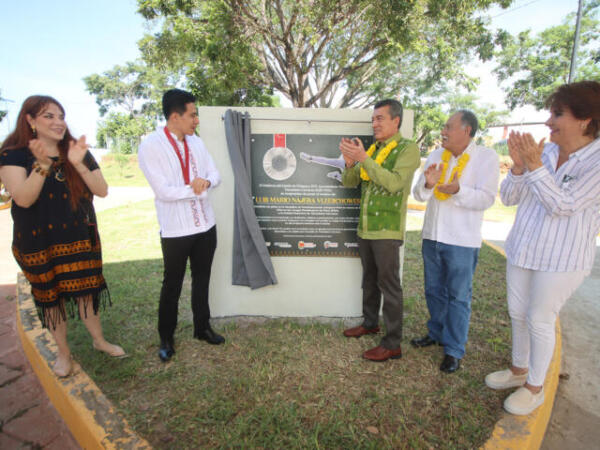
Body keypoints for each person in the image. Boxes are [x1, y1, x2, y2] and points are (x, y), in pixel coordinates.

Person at [485, 81, 600, 415]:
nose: (548, 122)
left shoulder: (595, 162)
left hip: (562, 259)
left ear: (585, 119)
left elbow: (564, 205)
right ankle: (518, 371)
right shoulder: (546, 152)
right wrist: (520, 167)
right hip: (523, 249)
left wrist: (533, 167)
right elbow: (508, 198)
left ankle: (535, 387)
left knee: (539, 317)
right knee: (517, 313)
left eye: (557, 114)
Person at [0, 96, 124, 377]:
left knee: (86, 291)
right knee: (51, 299)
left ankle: (99, 340)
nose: (58, 122)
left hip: (80, 237)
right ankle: (64, 354)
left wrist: (78, 164)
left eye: (60, 116)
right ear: (30, 121)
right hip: (38, 243)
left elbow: (102, 189)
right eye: (48, 116)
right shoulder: (13, 154)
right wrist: (42, 165)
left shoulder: (75, 150)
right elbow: (23, 199)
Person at [138, 88, 223, 363]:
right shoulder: (150, 145)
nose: (196, 120)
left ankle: (202, 327)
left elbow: (215, 173)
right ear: (174, 117)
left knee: (203, 278)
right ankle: (166, 336)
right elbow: (163, 191)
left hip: (205, 225)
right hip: (176, 230)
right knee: (172, 284)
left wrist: (206, 183)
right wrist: (195, 188)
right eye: (192, 115)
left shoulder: (196, 142)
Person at [411, 110, 499, 373]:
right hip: (432, 237)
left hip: (462, 241)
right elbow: (418, 194)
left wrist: (458, 190)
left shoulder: (486, 157)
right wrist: (427, 184)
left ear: (467, 130)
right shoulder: (437, 155)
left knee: (459, 297)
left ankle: (453, 349)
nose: (443, 132)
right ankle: (435, 333)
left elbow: (486, 198)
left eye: (449, 127)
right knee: (433, 290)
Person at [339, 99, 420, 362]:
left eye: (380, 118)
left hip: (386, 229)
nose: (374, 124)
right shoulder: (373, 149)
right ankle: (370, 322)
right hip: (365, 228)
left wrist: (364, 158)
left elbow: (394, 183)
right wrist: (351, 162)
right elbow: (350, 183)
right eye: (373, 119)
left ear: (396, 120)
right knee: (369, 281)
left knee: (389, 286)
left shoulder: (408, 149)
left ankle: (393, 343)